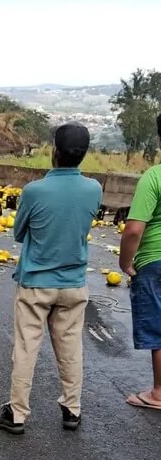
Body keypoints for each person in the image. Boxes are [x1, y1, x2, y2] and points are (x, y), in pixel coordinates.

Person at [0, 121, 102, 435]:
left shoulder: (34, 190)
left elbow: (18, 233)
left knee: (27, 347)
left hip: (36, 284)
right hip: (74, 284)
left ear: (54, 151)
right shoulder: (94, 188)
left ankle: (16, 414)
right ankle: (72, 410)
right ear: (84, 154)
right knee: (70, 348)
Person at [120, 113, 161, 410]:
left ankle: (158, 393)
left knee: (158, 326)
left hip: (155, 262)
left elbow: (134, 228)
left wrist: (126, 262)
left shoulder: (154, 177)